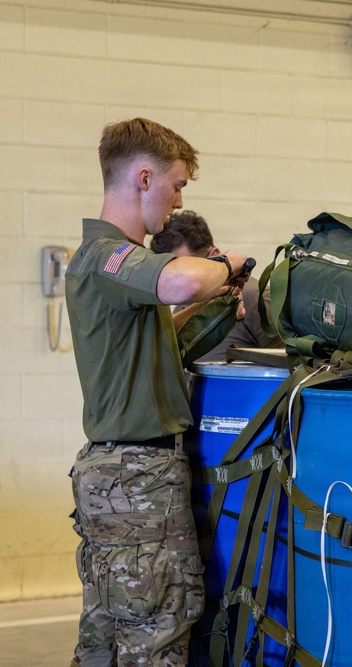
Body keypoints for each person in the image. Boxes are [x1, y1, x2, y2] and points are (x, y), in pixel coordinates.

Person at [65, 117, 251, 666]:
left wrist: (213, 303)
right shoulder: (110, 257)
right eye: (176, 185)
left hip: (117, 474)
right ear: (144, 179)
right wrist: (226, 264)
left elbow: (153, 339)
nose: (178, 201)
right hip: (139, 477)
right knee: (156, 635)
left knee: (105, 639)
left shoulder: (110, 270)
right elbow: (183, 279)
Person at [151, 209, 281, 362]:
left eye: (189, 273)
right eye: (173, 277)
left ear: (215, 255)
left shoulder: (255, 299)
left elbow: (289, 364)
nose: (182, 287)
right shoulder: (180, 309)